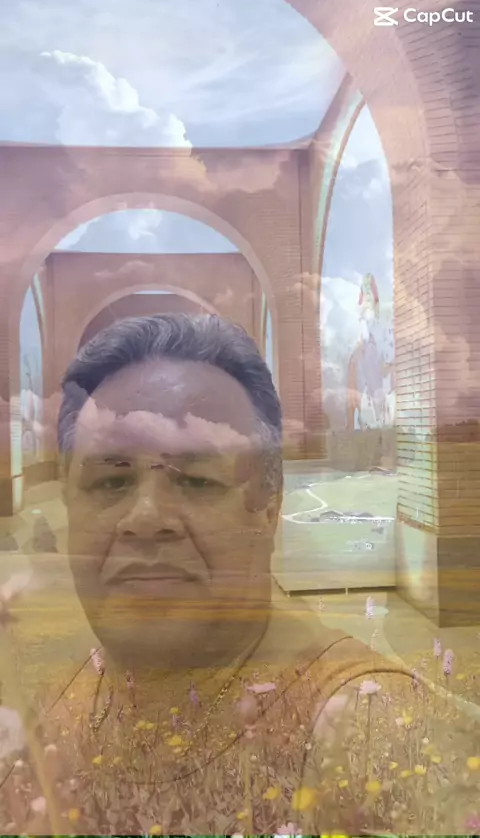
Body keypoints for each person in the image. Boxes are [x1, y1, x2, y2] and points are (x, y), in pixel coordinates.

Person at [1, 314, 478, 836]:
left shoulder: (372, 730)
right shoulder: (52, 705)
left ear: (269, 507)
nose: (146, 518)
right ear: (70, 505)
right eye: (111, 483)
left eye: (197, 481)